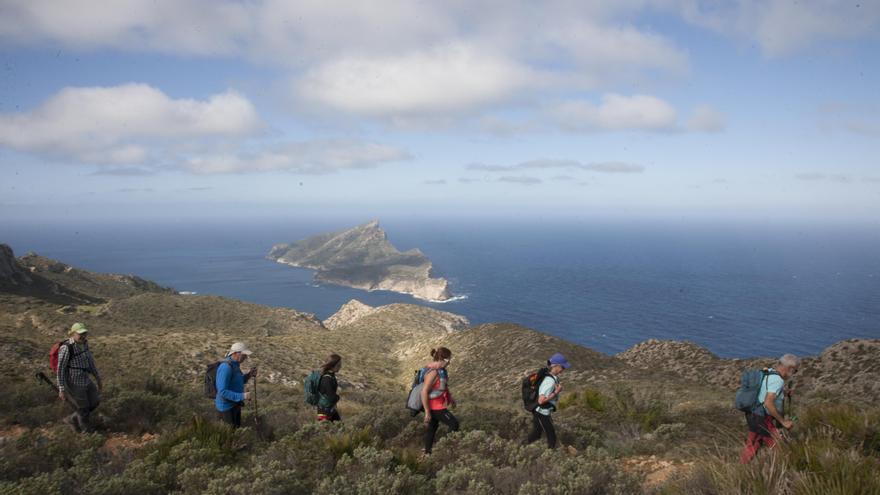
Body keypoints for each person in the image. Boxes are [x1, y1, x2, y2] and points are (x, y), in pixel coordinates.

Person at [740, 353, 800, 463]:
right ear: (790, 369)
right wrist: (783, 422)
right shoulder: (778, 380)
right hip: (762, 417)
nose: (794, 374)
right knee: (779, 446)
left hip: (752, 413)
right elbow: (768, 403)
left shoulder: (769, 372)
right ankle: (780, 469)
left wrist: (784, 392)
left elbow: (765, 390)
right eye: (795, 371)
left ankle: (742, 469)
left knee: (753, 444)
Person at [57, 322, 103, 432]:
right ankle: (86, 432)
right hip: (74, 383)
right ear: (73, 334)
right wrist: (61, 389)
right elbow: (60, 369)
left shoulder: (84, 344)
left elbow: (90, 362)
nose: (83, 336)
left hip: (85, 379)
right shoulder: (66, 348)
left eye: (84, 333)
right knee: (84, 408)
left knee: (95, 401)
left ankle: (72, 418)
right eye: (80, 334)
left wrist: (97, 378)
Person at [525, 353, 570, 449]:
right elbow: (541, 401)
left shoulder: (552, 376)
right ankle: (550, 455)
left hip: (541, 411)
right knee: (551, 437)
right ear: (556, 366)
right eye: (562, 367)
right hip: (541, 412)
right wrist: (556, 392)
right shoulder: (550, 381)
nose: (564, 369)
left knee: (537, 433)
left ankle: (521, 447)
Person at [421, 347, 459, 455]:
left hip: (437, 405)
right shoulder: (433, 372)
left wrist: (450, 398)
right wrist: (427, 412)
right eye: (448, 360)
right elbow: (424, 392)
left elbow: (442, 386)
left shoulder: (441, 371)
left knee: (432, 427)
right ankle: (446, 449)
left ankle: (427, 453)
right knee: (454, 424)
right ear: (442, 359)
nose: (449, 363)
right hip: (434, 407)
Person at [215, 342, 257, 428]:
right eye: (244, 354)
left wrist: (249, 375)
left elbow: (238, 381)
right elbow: (222, 391)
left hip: (234, 405)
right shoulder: (225, 367)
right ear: (236, 353)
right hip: (226, 409)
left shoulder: (235, 365)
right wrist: (243, 396)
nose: (246, 357)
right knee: (229, 437)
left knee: (236, 432)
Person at [317, 354, 342, 422]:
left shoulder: (331, 376)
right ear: (333, 365)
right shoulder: (327, 379)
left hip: (330, 409)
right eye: (339, 365)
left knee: (339, 428)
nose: (340, 367)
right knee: (325, 431)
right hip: (324, 412)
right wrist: (337, 397)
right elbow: (331, 397)